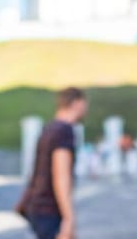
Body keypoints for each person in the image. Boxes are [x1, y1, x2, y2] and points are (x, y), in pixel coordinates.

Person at [17, 87, 88, 239]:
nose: (86, 108)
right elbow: (61, 175)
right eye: (84, 103)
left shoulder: (49, 128)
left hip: (37, 206)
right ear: (76, 103)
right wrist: (69, 218)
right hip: (49, 209)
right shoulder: (64, 130)